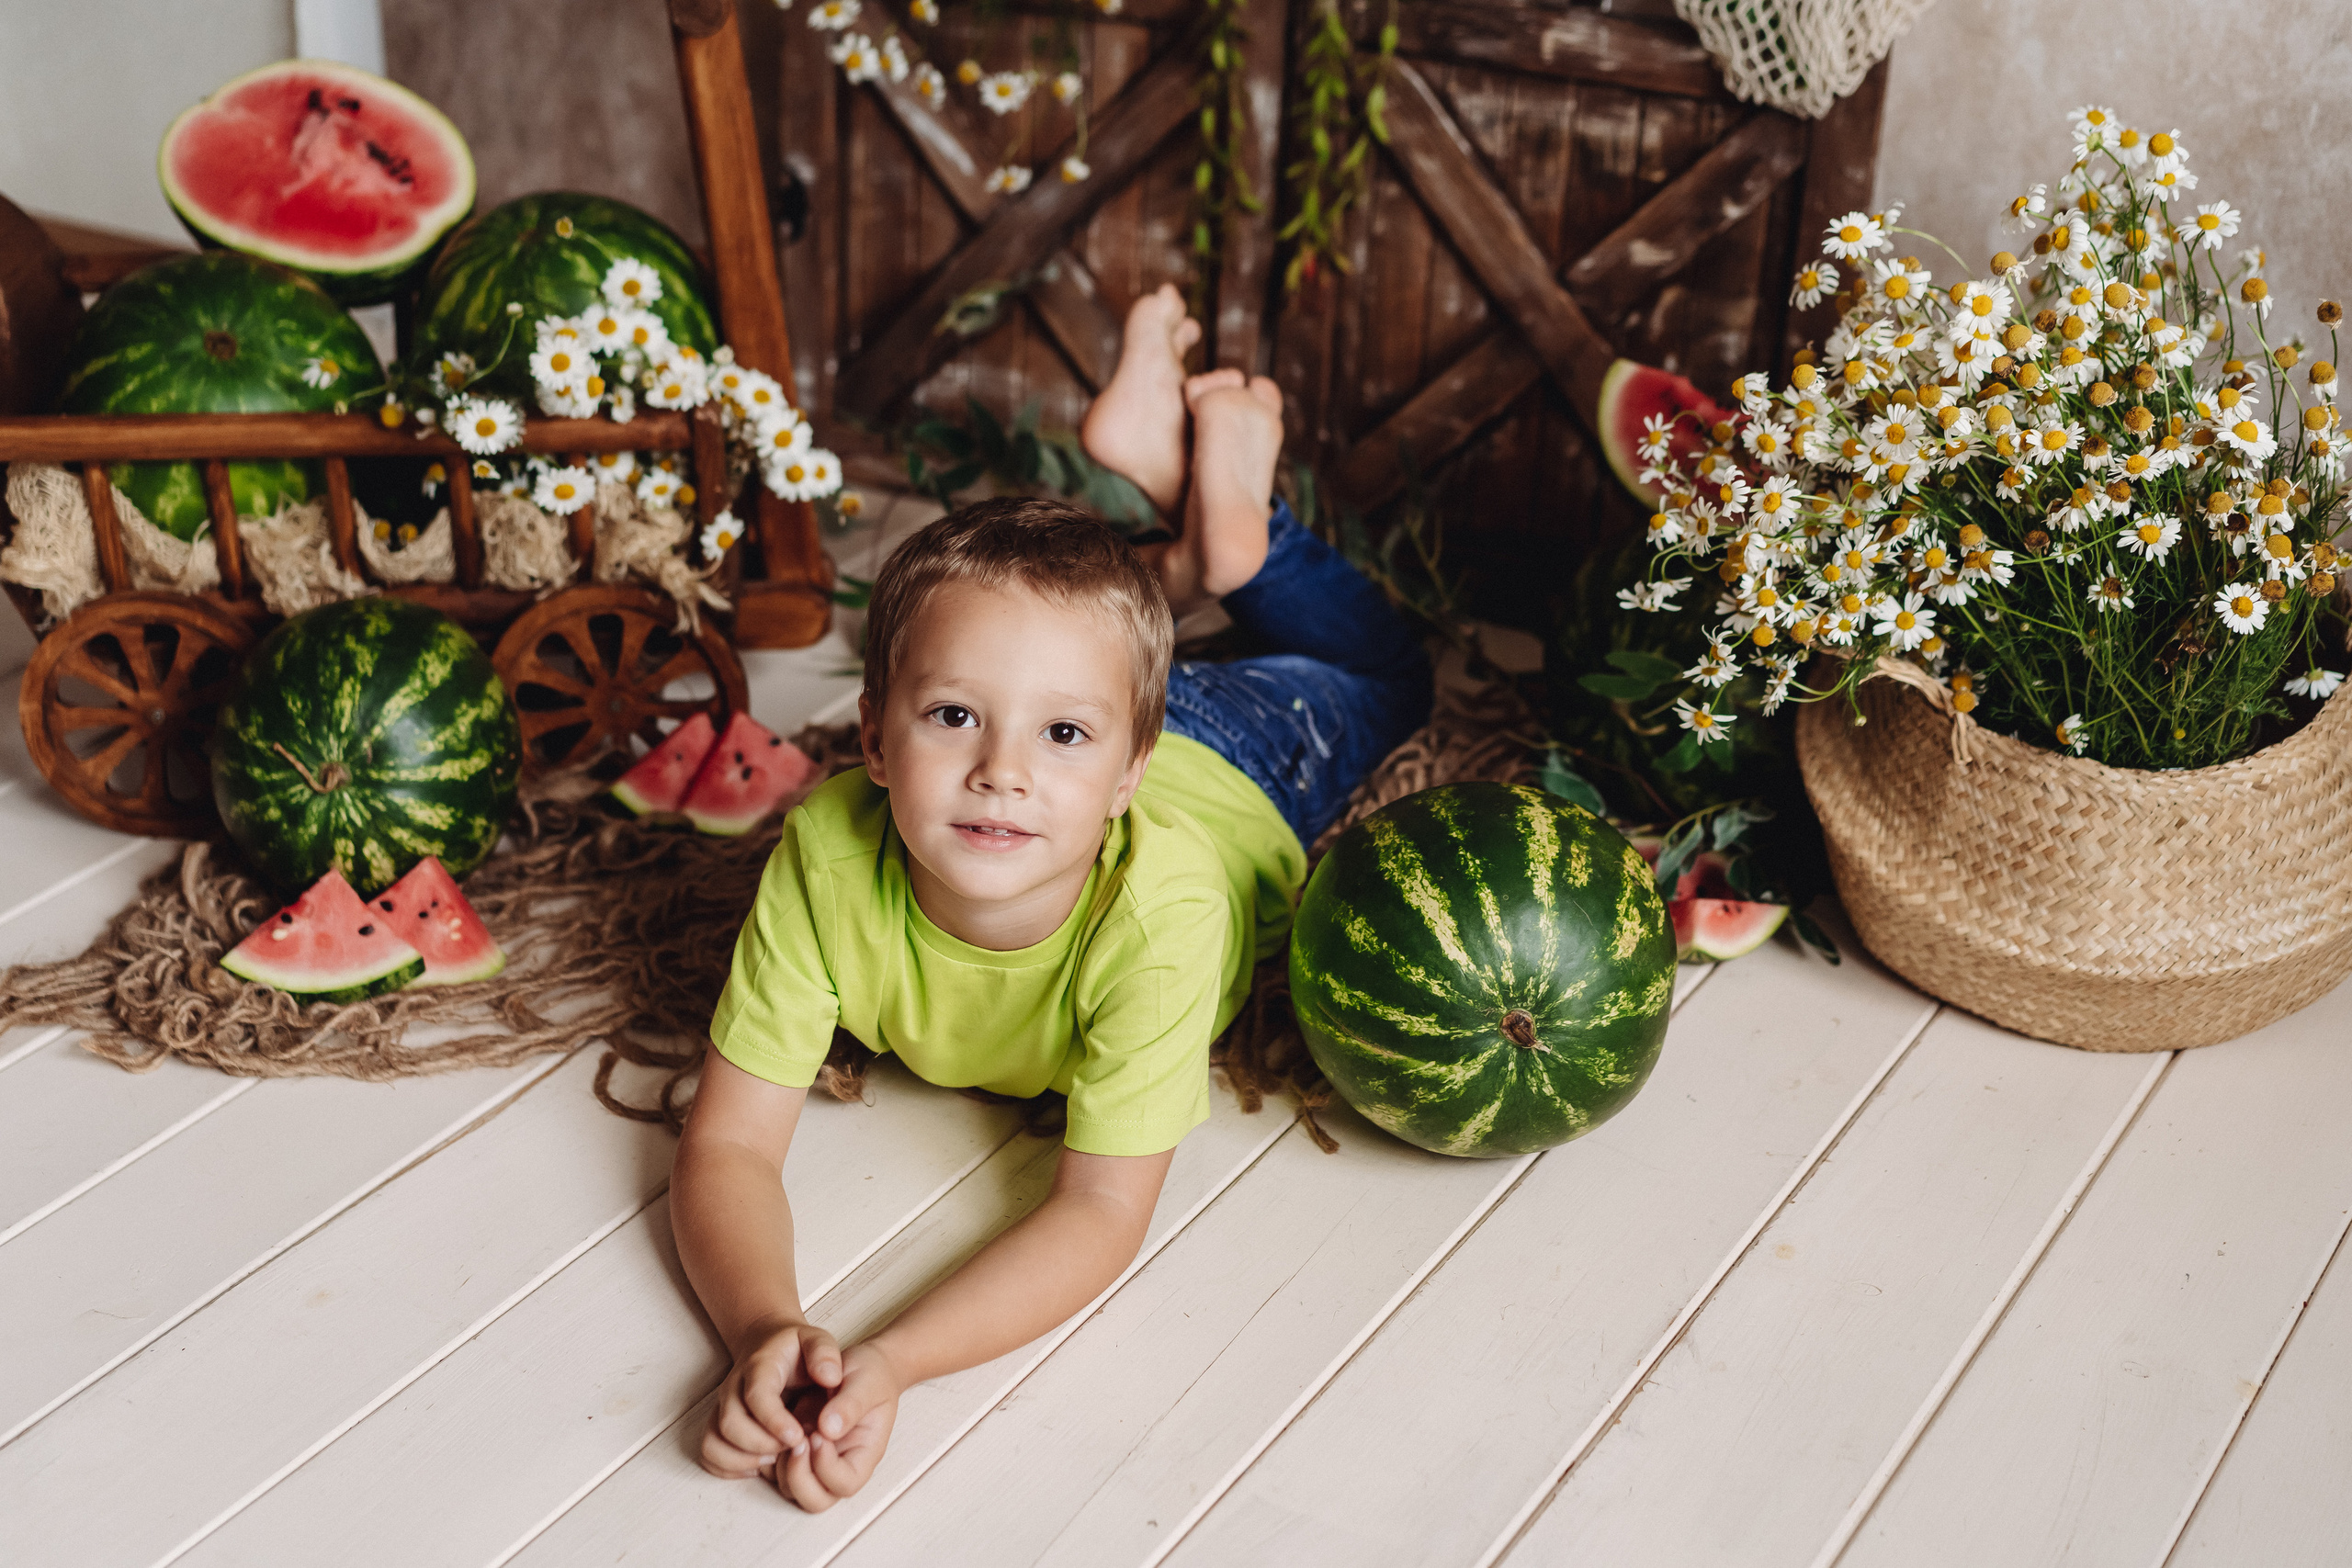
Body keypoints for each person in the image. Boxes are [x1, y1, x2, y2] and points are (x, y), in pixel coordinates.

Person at [673, 284, 1432, 1511]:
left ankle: (1225, 540)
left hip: (1235, 748)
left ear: (1123, 778)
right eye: (953, 714)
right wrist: (765, 1327)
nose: (1003, 772)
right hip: (1129, 707)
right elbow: (729, 1143)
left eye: (1060, 737)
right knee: (1082, 639)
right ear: (871, 735)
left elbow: (1098, 1209)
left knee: (1393, 676)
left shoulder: (1162, 915)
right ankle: (1188, 533)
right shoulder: (821, 853)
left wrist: (897, 1360)